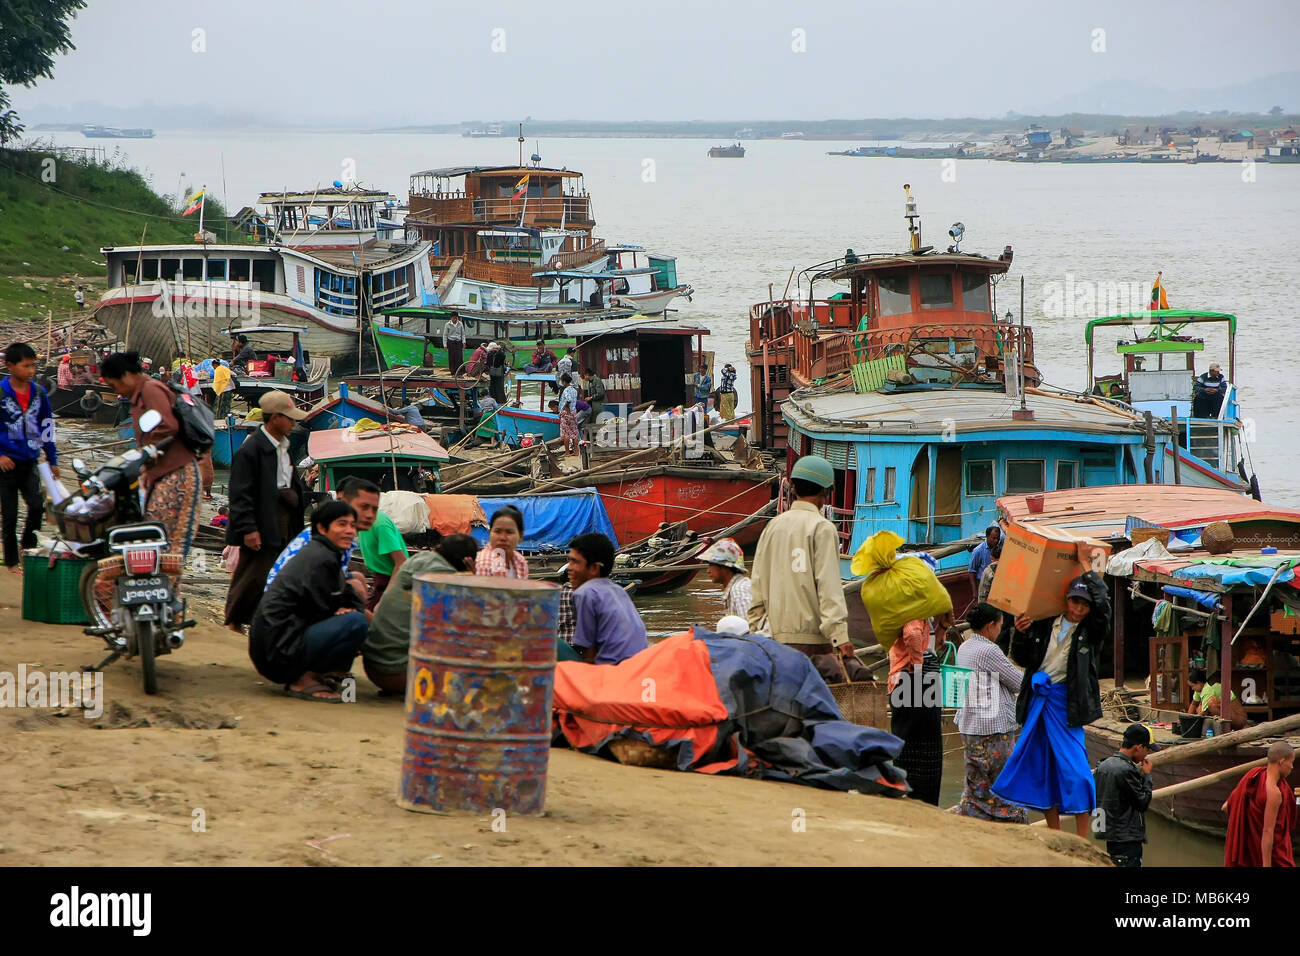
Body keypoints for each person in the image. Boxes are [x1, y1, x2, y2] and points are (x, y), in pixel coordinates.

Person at [994, 572, 1111, 837]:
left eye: (1084, 604)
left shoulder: (1090, 632)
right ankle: (1055, 832)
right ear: (1066, 600)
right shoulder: (1045, 623)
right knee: (1043, 767)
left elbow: (1105, 607)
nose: (1078, 608)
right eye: (1074, 601)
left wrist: (1088, 569)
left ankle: (1082, 839)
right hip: (1039, 702)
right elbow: (1021, 657)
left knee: (1078, 773)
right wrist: (1020, 632)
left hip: (1067, 706)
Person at [249, 500, 369, 703]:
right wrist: (337, 611)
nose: (350, 531)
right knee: (355, 623)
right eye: (342, 524)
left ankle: (321, 674)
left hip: (275, 647)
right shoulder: (320, 558)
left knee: (355, 617)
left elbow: (347, 596)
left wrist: (344, 608)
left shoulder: (324, 553)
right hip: (277, 652)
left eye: (352, 525)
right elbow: (320, 606)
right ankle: (302, 680)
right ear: (322, 528)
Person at [747, 455, 856, 674]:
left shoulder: (773, 527)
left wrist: (755, 630)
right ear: (825, 493)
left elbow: (757, 584)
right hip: (813, 643)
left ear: (794, 488)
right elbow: (829, 589)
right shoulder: (822, 528)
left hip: (774, 642)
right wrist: (840, 637)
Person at [99, 351, 203, 561]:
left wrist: (145, 457)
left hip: (177, 474)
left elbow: (167, 427)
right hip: (161, 474)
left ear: (126, 376)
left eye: (114, 386)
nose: (116, 392)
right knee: (155, 537)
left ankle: (166, 589)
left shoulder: (150, 390)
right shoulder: (140, 396)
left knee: (168, 541)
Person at [223, 391, 308, 632]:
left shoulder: (283, 447)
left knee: (274, 570)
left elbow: (287, 483)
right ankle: (233, 621)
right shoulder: (251, 450)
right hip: (262, 518)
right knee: (253, 573)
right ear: (274, 418)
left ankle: (259, 620)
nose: (293, 423)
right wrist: (249, 529)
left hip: (282, 516)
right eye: (289, 419)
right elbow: (240, 495)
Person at [362, 534, 479, 693]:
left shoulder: (416, 560)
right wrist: (471, 581)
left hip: (373, 667)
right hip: (398, 673)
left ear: (439, 547)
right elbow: (471, 623)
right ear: (468, 562)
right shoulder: (446, 580)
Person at [953, 602, 1029, 822]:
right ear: (989, 626)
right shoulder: (989, 650)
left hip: (970, 726)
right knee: (1005, 780)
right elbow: (1018, 682)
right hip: (992, 728)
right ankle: (1010, 820)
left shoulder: (964, 647)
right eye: (999, 626)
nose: (1000, 630)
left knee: (977, 781)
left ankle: (975, 816)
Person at [0, 343, 59, 571]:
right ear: (10, 366)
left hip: (30, 460)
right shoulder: (2, 393)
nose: (31, 371)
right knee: (10, 514)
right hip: (6, 464)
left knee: (36, 507)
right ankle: (12, 561)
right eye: (26, 366)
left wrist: (52, 459)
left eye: (33, 366)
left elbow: (46, 426)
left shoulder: (38, 393)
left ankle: (28, 551)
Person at [567, 532, 649, 664]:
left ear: (594, 568)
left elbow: (588, 650)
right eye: (569, 561)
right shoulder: (618, 589)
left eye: (575, 562)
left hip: (613, 669)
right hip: (640, 664)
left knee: (559, 647)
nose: (569, 568)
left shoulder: (585, 593)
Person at [1093, 723, 1158, 867]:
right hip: (1127, 838)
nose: (1147, 755)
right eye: (1147, 750)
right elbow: (1142, 803)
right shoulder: (1126, 770)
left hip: (1111, 835)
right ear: (1138, 747)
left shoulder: (1103, 766)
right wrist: (1147, 776)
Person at [1222, 741, 1295, 867]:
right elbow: (1267, 832)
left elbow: (1226, 807)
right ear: (1281, 761)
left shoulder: (1253, 775)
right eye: (1291, 762)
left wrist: (1246, 830)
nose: (1292, 767)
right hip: (1274, 855)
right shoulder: (1274, 793)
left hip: (1249, 850)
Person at [352, 477, 408, 610]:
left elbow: (401, 563)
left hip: (393, 580)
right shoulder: (355, 523)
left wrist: (386, 598)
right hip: (379, 578)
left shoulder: (380, 524)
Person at [701, 538, 752, 619]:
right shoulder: (735, 588)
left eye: (711, 565)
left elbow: (749, 627)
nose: (708, 571)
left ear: (725, 567)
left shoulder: (739, 591)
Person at [475, 505, 529, 578]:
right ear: (490, 533)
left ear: (520, 536)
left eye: (509, 532)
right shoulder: (483, 563)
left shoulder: (520, 561)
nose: (503, 538)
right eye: (497, 531)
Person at [968, 524, 1002, 597]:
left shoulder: (999, 548)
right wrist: (975, 592)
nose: (996, 541)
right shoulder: (978, 551)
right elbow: (971, 571)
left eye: (998, 539)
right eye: (993, 538)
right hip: (983, 583)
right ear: (987, 536)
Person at [558, 372, 580, 456]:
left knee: (566, 433)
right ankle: (576, 451)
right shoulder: (574, 390)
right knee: (574, 432)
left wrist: (565, 408)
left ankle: (567, 452)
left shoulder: (566, 390)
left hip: (567, 413)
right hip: (573, 412)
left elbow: (569, 399)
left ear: (564, 381)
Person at [582, 367, 606, 432]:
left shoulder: (597, 380)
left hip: (599, 406)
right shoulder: (590, 382)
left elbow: (600, 393)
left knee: (599, 422)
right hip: (594, 406)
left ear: (587, 375)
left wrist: (591, 398)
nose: (584, 377)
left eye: (584, 375)